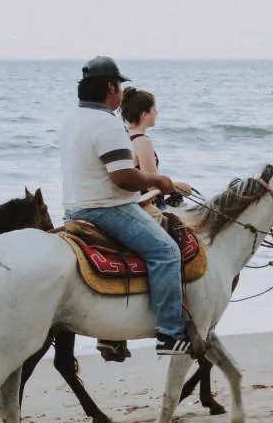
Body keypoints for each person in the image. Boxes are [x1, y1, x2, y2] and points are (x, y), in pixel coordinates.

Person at [60, 57, 196, 356]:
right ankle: (171, 334)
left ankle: (114, 331)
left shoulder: (72, 118)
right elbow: (123, 178)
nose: (120, 90)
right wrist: (159, 181)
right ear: (111, 86)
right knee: (166, 251)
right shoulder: (106, 122)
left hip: (73, 210)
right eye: (119, 84)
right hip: (107, 209)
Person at [119, 87, 175, 209]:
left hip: (129, 199)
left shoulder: (124, 136)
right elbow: (151, 185)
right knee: (186, 189)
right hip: (144, 203)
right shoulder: (143, 141)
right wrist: (174, 187)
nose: (156, 113)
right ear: (144, 114)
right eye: (154, 110)